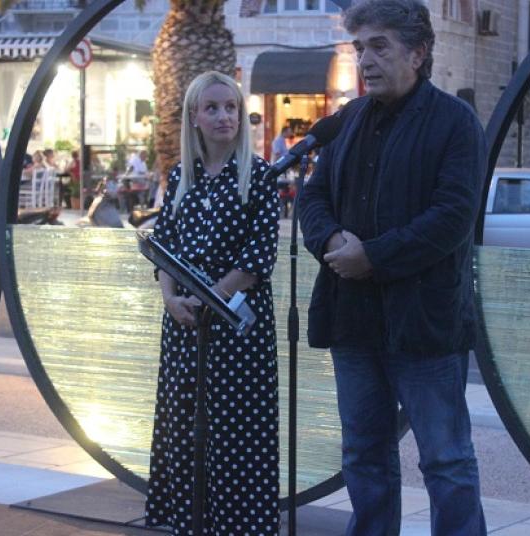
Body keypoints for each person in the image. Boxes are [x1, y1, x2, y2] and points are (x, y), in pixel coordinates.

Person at [297, 1, 487, 534]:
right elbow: (312, 197)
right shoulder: (348, 120)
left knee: (446, 461)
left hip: (424, 327)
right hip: (353, 321)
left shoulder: (455, 123)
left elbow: (452, 218)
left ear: (418, 53)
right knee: (363, 453)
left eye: (379, 46)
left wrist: (372, 257)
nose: (365, 60)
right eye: (359, 48)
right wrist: (332, 239)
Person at [144, 70, 280, 535]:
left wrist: (207, 300)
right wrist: (170, 298)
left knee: (236, 430)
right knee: (185, 424)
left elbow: (257, 259)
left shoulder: (258, 176)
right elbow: (164, 245)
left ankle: (240, 525)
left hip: (235, 328)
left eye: (231, 107)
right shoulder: (182, 176)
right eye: (213, 108)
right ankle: (189, 522)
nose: (224, 116)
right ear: (194, 117)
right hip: (184, 324)